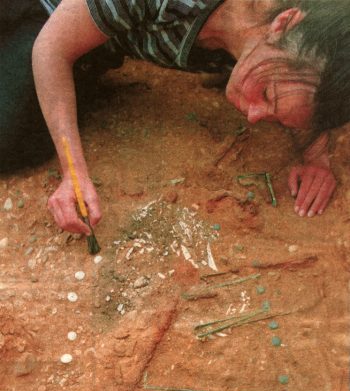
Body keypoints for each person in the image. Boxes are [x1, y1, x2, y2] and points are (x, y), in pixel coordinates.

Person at [0, 1, 348, 234]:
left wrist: (315, 154)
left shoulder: (295, 34)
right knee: (11, 138)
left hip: (99, 43)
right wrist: (73, 174)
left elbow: (319, 78)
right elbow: (52, 48)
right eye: (267, 95)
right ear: (284, 24)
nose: (253, 116)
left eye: (278, 120)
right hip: (45, 12)